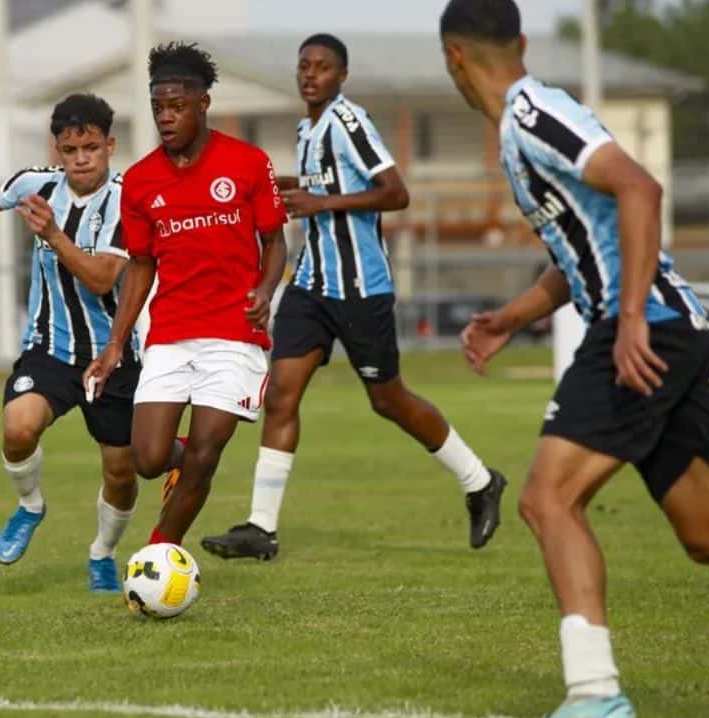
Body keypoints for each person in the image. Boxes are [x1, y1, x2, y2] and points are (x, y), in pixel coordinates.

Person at [439, 2, 709, 718]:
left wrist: (633, 317)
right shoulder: (525, 130)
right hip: (666, 325)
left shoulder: (531, 115)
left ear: (454, 59)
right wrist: (513, 318)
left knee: (549, 500)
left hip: (645, 329)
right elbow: (584, 249)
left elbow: (640, 187)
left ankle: (596, 696)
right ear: (517, 41)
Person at [201, 33, 506, 562]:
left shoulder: (348, 121)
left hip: (360, 289)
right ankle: (261, 528)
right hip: (311, 285)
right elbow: (318, 184)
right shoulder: (308, 127)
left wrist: (324, 202)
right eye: (304, 65)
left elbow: (396, 191)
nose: (310, 74)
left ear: (341, 76)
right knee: (281, 395)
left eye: (321, 67)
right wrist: (266, 184)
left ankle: (480, 481)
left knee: (388, 400)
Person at [0, 93, 140, 593]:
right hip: (51, 350)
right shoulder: (35, 184)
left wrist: (56, 236)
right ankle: (30, 506)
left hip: (114, 356)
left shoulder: (131, 199)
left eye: (91, 147)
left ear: (110, 145)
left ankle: (102, 553)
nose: (81, 158)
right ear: (57, 149)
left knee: (122, 473)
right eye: (70, 148)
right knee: (18, 428)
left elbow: (103, 279)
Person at [84, 42, 289, 549]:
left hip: (234, 335)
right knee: (150, 459)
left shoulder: (247, 163)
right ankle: (177, 469)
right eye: (158, 108)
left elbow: (275, 242)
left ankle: (158, 556)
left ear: (203, 104)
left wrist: (265, 291)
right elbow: (140, 264)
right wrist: (115, 344)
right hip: (171, 333)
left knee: (205, 453)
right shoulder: (139, 181)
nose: (166, 118)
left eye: (176, 106)